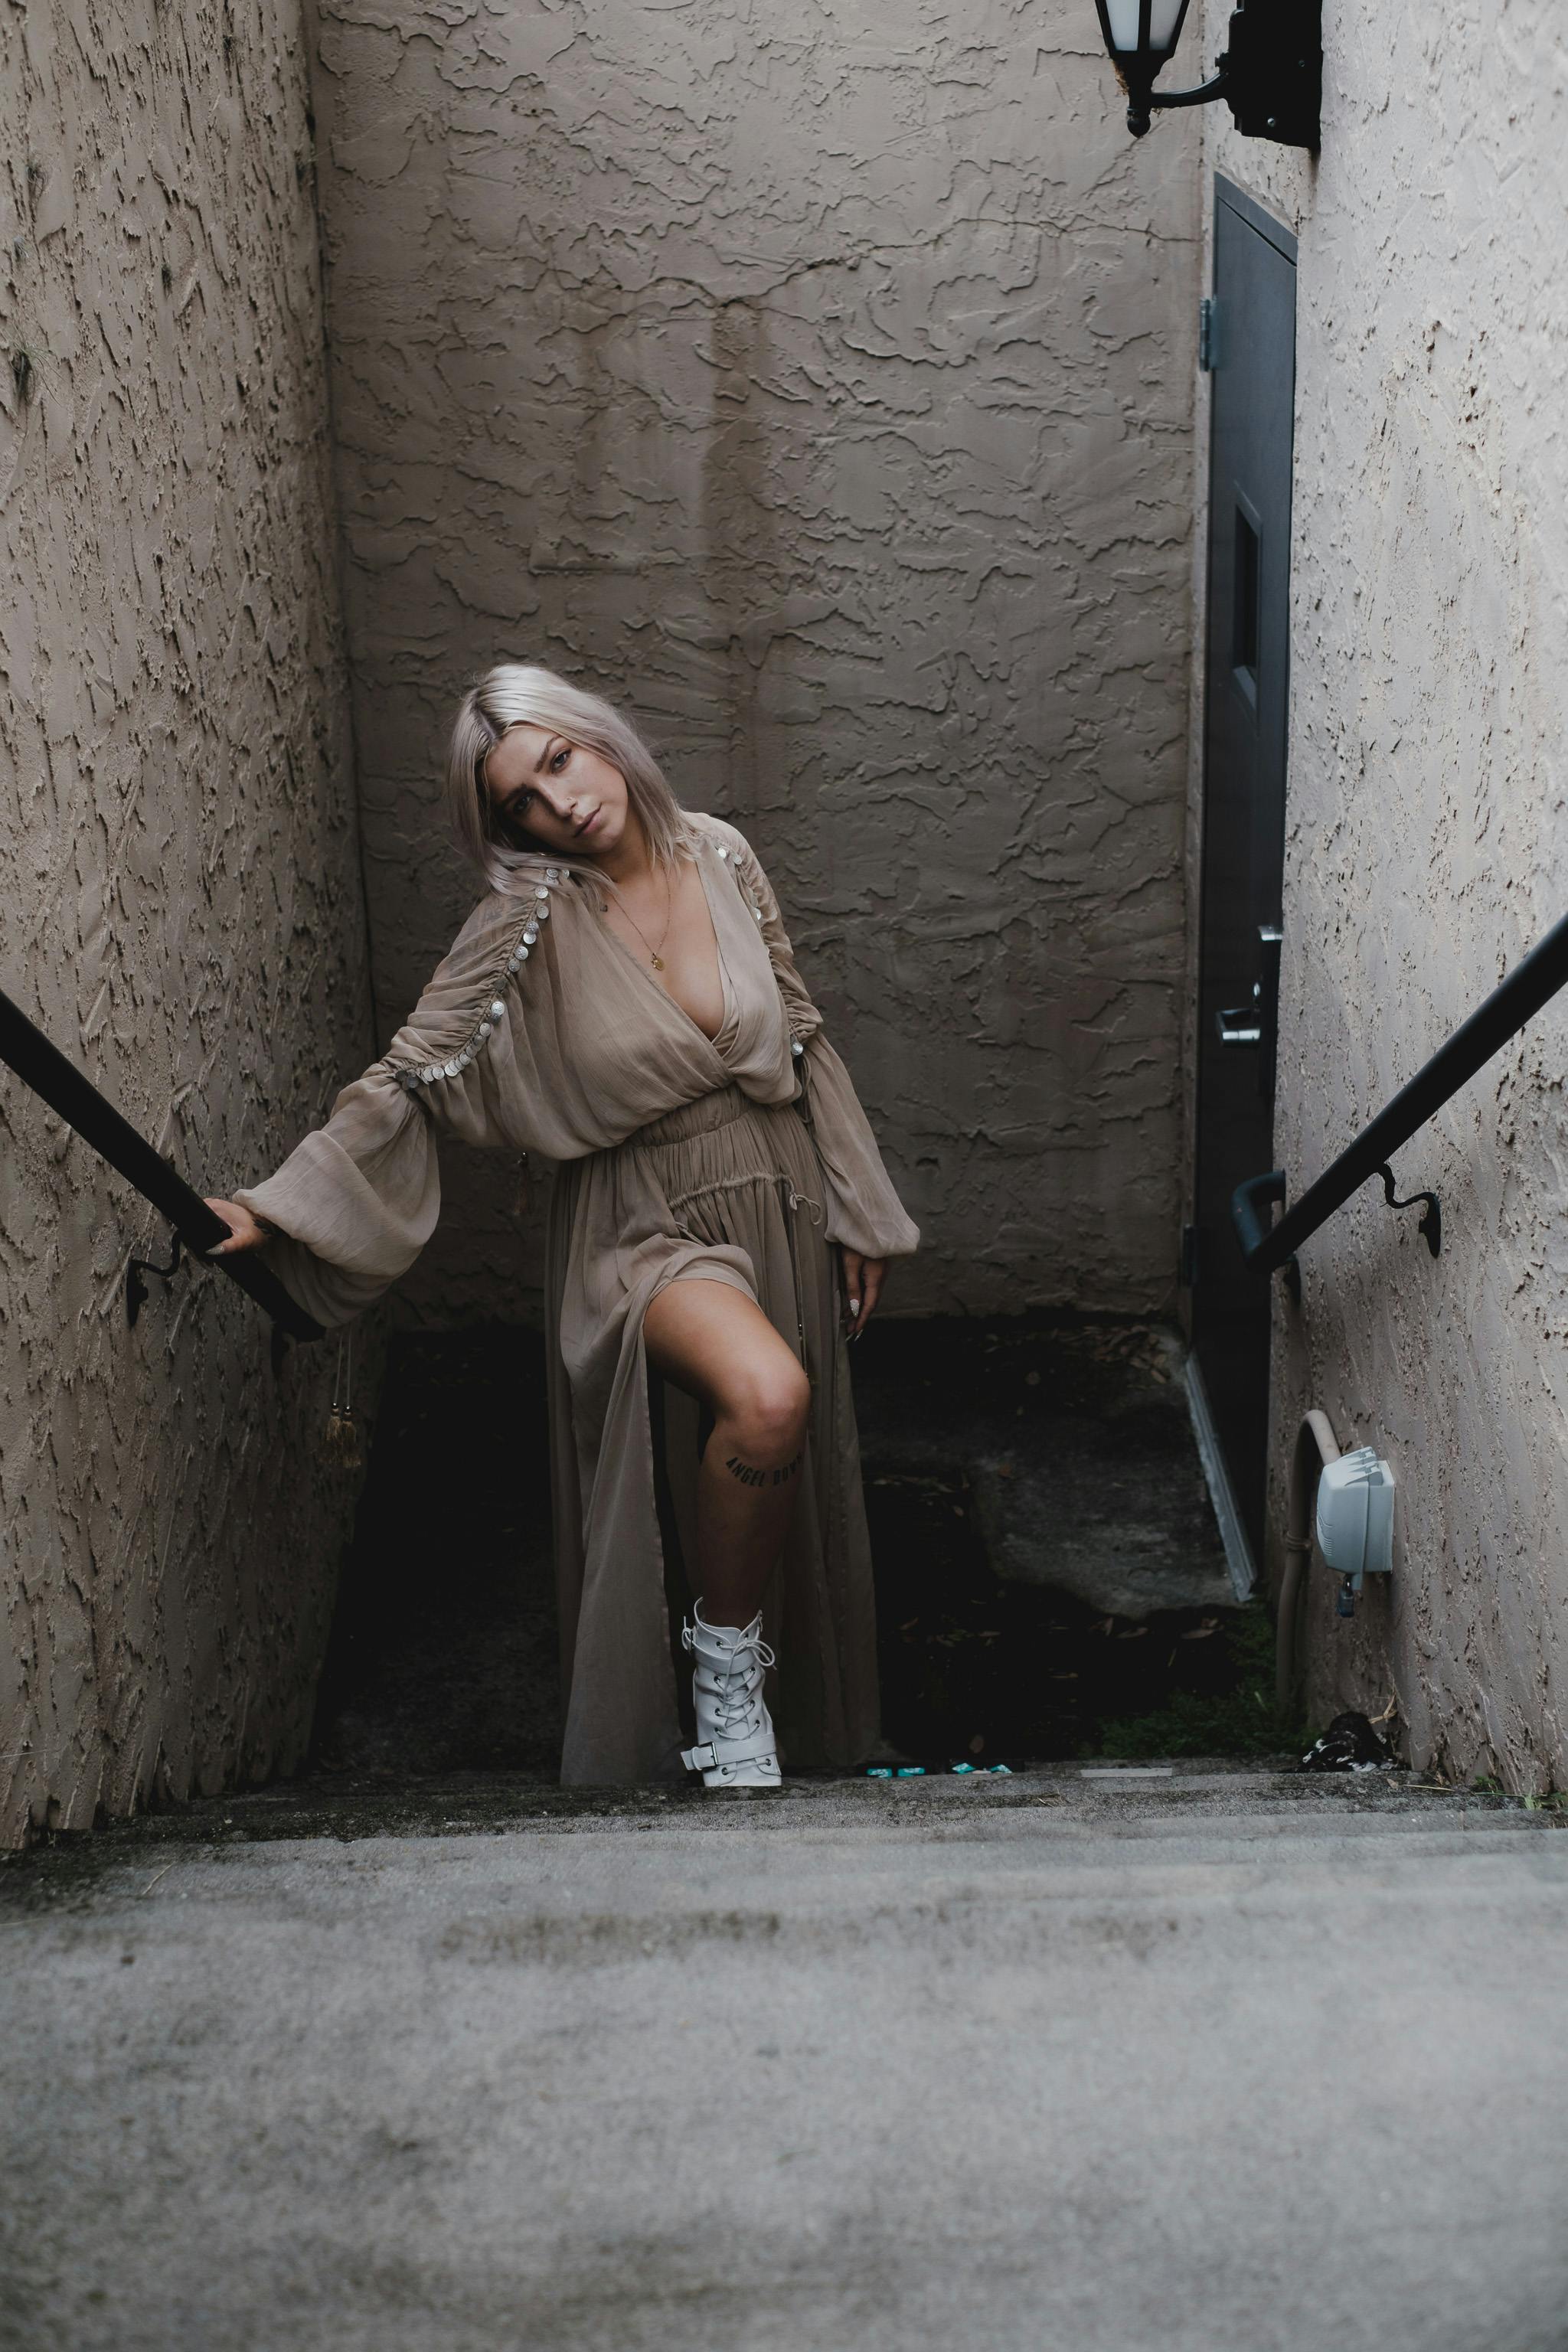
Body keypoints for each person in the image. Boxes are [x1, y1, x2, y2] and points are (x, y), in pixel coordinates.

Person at [206, 662, 920, 1789]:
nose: (560, 803)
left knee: (772, 1447)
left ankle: (766, 1682)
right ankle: (726, 1685)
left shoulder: (723, 853)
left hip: (776, 1192)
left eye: (559, 760)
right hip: (641, 1223)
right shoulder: (526, 921)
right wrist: (272, 1207)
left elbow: (802, 1029)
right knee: (768, 1395)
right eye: (522, 801)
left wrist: (858, 1208)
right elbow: (413, 1075)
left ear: (598, 736)